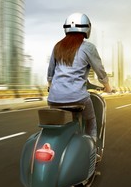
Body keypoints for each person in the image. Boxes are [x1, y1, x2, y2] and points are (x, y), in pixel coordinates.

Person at [47, 12, 112, 141]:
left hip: (54, 99)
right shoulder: (88, 47)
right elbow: (99, 70)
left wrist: (50, 86)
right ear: (87, 29)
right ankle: (92, 145)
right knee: (91, 119)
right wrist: (108, 87)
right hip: (78, 98)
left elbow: (50, 73)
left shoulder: (58, 46)